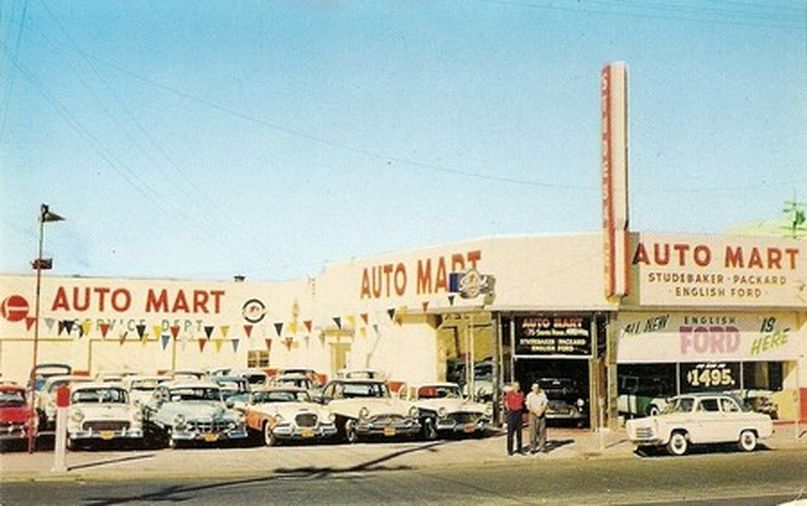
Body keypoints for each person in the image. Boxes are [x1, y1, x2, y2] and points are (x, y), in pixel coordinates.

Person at [503, 381, 525, 456]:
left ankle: (519, 449)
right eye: (515, 386)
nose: (517, 388)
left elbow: (522, 402)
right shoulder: (509, 394)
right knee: (510, 433)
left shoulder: (521, 394)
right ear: (513, 387)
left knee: (519, 433)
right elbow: (506, 402)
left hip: (518, 413)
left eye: (518, 386)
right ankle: (510, 450)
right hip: (511, 413)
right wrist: (509, 410)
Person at [526, 382, 548, 454]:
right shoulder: (529, 395)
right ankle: (532, 448)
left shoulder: (542, 395)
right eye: (534, 388)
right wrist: (535, 412)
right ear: (532, 388)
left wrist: (540, 412)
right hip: (533, 414)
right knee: (533, 431)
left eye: (537, 388)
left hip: (541, 414)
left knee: (542, 431)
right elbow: (528, 406)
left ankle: (542, 447)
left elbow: (545, 404)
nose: (536, 389)